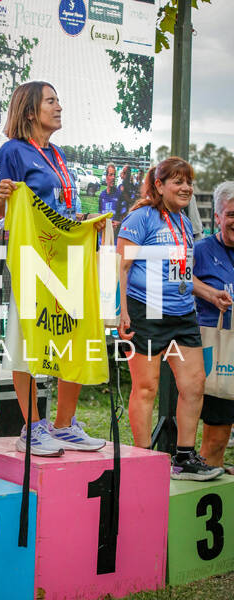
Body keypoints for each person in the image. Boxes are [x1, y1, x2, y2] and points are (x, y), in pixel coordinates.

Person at [0, 81, 105, 456]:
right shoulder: (12, 151)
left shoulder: (58, 154)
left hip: (67, 259)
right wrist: (1, 201)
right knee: (26, 340)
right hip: (32, 260)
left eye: (59, 100)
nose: (59, 107)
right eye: (51, 101)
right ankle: (33, 428)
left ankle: (65, 425)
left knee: (73, 337)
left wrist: (85, 221)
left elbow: (62, 209)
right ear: (29, 111)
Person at [117, 157, 224, 481]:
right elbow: (121, 266)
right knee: (146, 388)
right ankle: (143, 460)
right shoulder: (141, 218)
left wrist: (209, 294)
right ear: (159, 185)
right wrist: (121, 312)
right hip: (145, 312)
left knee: (194, 384)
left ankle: (184, 458)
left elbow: (182, 276)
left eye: (189, 182)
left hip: (182, 314)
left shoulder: (183, 223)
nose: (186, 188)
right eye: (178, 181)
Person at [193, 181, 234, 474]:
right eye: (231, 214)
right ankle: (210, 477)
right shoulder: (201, 250)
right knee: (217, 439)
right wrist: (209, 293)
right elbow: (177, 279)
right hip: (219, 352)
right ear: (217, 217)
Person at [98, 162, 122, 230]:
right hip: (103, 233)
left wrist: (118, 223)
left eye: (114, 175)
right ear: (106, 177)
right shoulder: (102, 195)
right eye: (111, 175)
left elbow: (124, 217)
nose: (113, 177)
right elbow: (99, 215)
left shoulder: (119, 195)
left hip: (114, 234)